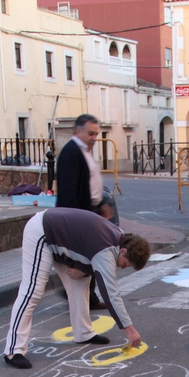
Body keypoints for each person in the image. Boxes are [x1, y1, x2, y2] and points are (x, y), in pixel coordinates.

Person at [2, 207, 149, 369]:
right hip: (42, 231)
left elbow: (87, 249)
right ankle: (13, 350)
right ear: (123, 251)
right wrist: (130, 330)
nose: (122, 268)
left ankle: (83, 333)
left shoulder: (119, 237)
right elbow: (110, 293)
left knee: (80, 282)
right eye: (126, 264)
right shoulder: (106, 249)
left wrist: (83, 269)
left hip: (62, 239)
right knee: (32, 291)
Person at [56, 114, 114, 309]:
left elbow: (89, 181)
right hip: (79, 214)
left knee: (90, 254)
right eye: (91, 133)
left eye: (96, 133)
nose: (94, 137)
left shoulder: (83, 150)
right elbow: (68, 190)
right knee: (86, 255)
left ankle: (88, 297)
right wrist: (80, 218)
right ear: (78, 131)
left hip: (90, 209)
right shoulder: (71, 153)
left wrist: (100, 204)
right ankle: (79, 296)